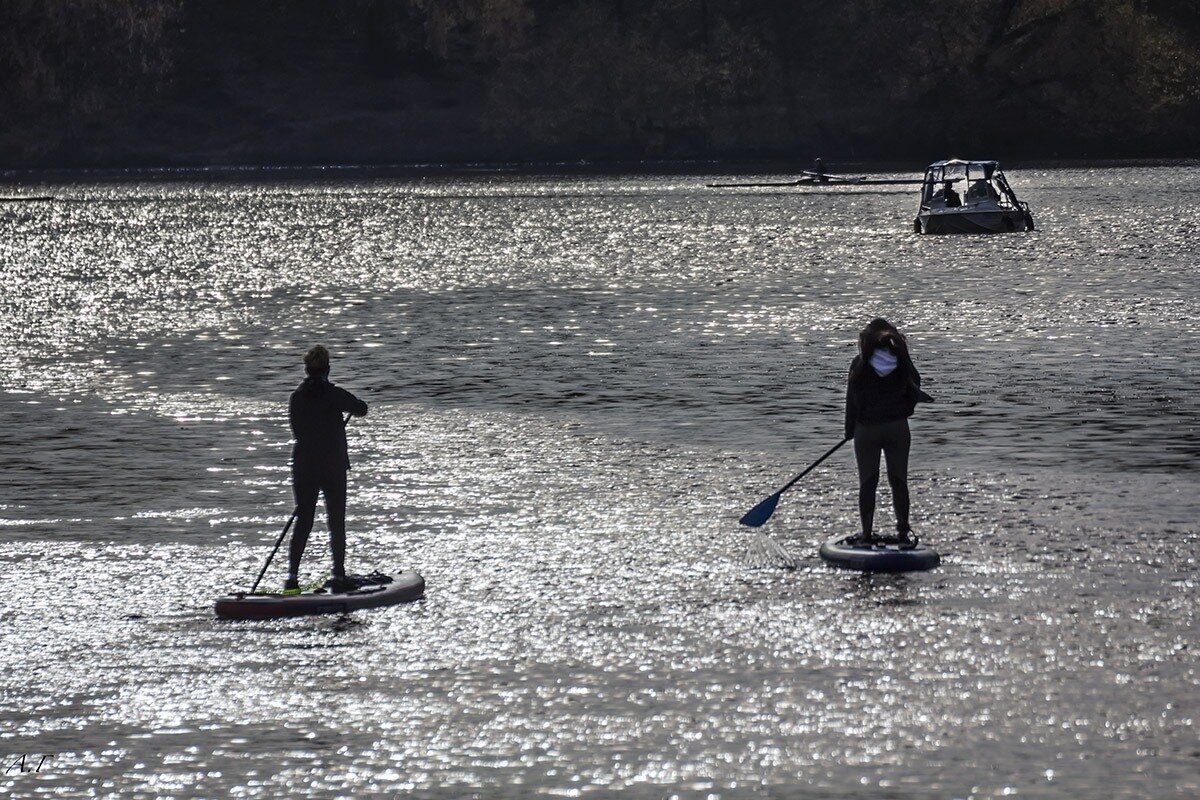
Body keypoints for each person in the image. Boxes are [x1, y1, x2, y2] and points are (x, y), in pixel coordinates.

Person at [285, 345, 368, 594]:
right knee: (336, 521)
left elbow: (297, 430)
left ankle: (292, 579)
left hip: (303, 465)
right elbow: (362, 408)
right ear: (328, 370)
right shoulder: (334, 394)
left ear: (306, 369)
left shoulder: (296, 397)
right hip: (331, 466)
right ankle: (339, 576)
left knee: (304, 520)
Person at [843, 319, 932, 547]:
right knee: (899, 480)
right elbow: (915, 388)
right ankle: (903, 532)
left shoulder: (859, 364)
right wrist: (906, 411)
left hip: (866, 430)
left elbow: (851, 400)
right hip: (897, 428)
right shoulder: (902, 362)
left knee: (868, 482)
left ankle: (866, 535)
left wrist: (849, 430)